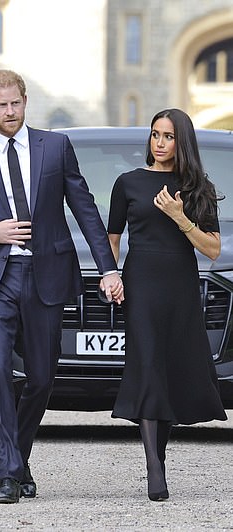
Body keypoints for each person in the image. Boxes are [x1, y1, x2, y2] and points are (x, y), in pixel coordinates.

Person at [0, 69, 124, 504]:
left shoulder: (55, 147)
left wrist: (109, 268)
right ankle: (7, 475)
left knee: (42, 377)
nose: (10, 112)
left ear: (26, 102)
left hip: (45, 276)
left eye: (16, 104)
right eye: (1, 105)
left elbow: (84, 209)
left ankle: (18, 456)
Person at [107, 108, 227, 502]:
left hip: (179, 286)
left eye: (168, 137)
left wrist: (180, 217)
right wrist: (114, 275)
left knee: (170, 367)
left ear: (182, 142)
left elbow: (212, 250)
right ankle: (154, 469)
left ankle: (157, 458)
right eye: (155, 135)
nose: (159, 143)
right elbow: (112, 237)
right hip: (140, 283)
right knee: (147, 364)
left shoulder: (198, 190)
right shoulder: (128, 184)